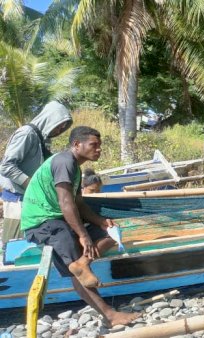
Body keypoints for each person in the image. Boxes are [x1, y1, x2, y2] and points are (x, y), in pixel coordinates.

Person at [21, 126, 140, 327]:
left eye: (99, 146)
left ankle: (82, 264)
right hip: (41, 222)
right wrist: (83, 235)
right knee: (75, 263)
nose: (99, 149)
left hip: (57, 219)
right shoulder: (64, 161)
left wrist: (100, 222)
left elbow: (79, 203)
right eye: (94, 145)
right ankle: (109, 315)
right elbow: (66, 203)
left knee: (110, 233)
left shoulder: (75, 168)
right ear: (77, 144)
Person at [0, 101, 72, 249]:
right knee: (14, 243)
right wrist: (32, 184)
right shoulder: (27, 134)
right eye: (59, 125)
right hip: (18, 198)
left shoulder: (42, 139)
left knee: (29, 242)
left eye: (63, 127)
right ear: (49, 119)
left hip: (30, 197)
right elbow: (6, 166)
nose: (60, 130)